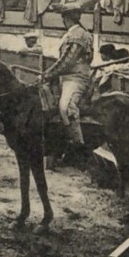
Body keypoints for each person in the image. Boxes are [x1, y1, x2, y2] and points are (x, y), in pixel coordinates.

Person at [39, 8, 93, 150]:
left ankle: (78, 146)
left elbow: (67, 61)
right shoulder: (75, 33)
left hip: (76, 78)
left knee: (65, 107)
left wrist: (47, 75)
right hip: (67, 77)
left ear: (66, 19)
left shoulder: (79, 34)